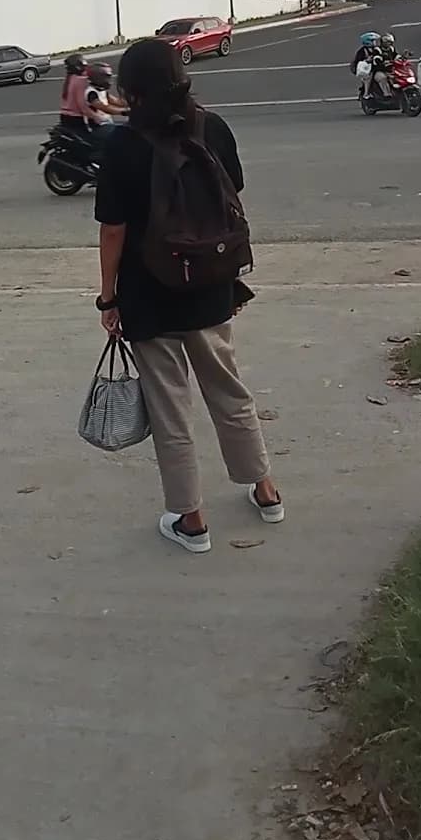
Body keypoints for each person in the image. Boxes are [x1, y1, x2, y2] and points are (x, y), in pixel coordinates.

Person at [94, 38, 283, 555]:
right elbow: (232, 192)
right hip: (210, 283)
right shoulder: (213, 127)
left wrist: (107, 299)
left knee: (171, 411)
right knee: (229, 390)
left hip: (149, 297)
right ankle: (265, 491)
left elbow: (113, 231)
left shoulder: (120, 145)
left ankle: (191, 520)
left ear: (129, 91)